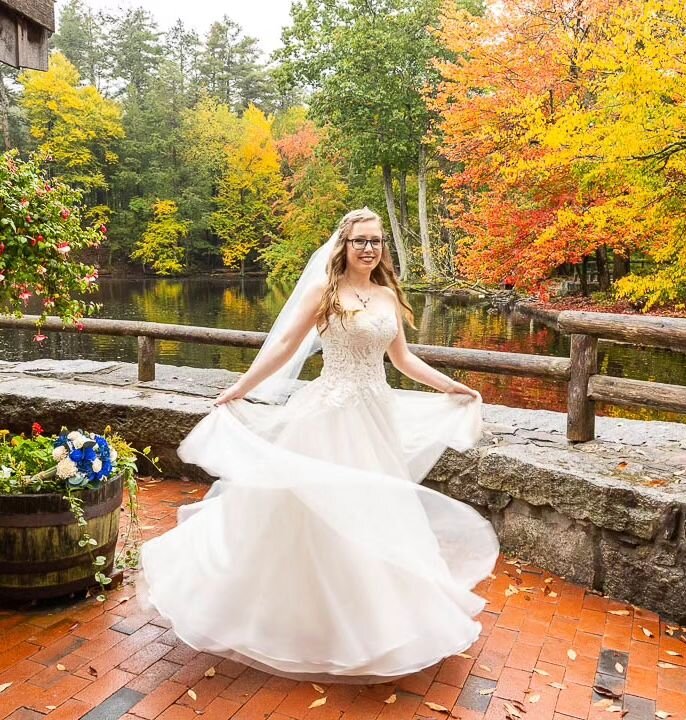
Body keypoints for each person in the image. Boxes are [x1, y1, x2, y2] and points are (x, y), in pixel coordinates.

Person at [138, 207, 499, 684]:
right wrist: (240, 389)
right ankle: (298, 621)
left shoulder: (388, 294)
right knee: (309, 516)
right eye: (359, 241)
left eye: (375, 241)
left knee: (372, 514)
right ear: (343, 246)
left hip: (375, 418)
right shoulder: (324, 292)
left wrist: (453, 386)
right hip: (328, 416)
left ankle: (374, 621)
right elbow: (284, 346)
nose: (368, 249)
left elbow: (404, 360)